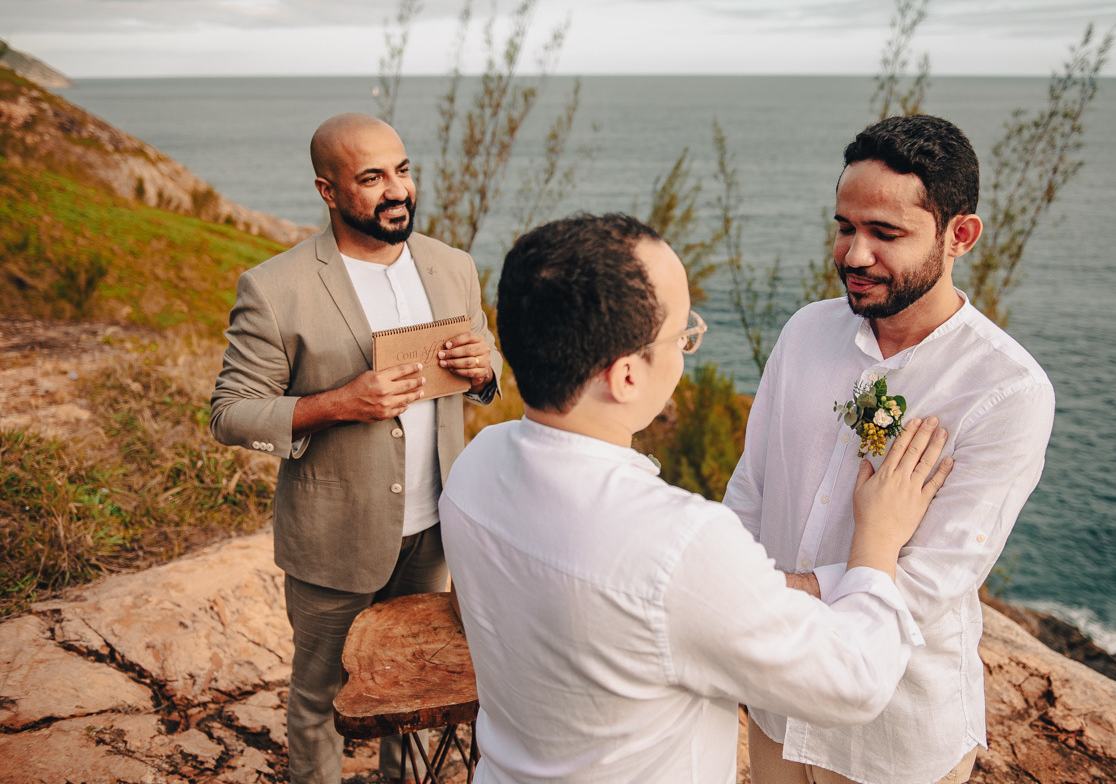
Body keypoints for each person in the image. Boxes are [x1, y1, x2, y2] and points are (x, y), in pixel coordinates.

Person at [440, 212, 955, 784]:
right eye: (682, 336)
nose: (687, 351)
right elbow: (855, 682)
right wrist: (877, 542)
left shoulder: (473, 468)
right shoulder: (675, 545)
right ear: (627, 376)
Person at [724, 114, 1056, 784]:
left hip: (888, 739)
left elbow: (932, 581)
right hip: (777, 700)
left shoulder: (1007, 391)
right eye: (845, 227)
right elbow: (749, 494)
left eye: (885, 233)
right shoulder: (804, 332)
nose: (853, 255)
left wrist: (767, 594)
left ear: (960, 235)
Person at [209, 112, 500, 784]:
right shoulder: (274, 287)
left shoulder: (453, 266)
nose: (396, 189)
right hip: (332, 537)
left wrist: (485, 368)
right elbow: (229, 413)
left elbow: (484, 364)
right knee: (319, 700)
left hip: (434, 530)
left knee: (416, 690)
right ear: (328, 190)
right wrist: (341, 402)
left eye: (402, 170)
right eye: (371, 178)